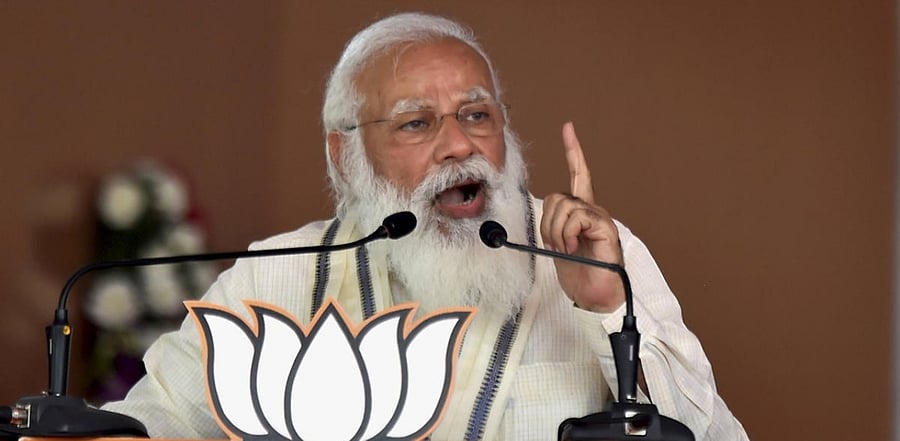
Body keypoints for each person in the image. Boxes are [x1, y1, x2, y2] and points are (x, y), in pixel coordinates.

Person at [103, 12, 749, 441]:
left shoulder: (595, 255)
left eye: (476, 114)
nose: (458, 146)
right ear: (344, 155)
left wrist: (610, 312)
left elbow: (712, 433)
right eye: (416, 123)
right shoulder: (277, 274)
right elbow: (149, 420)